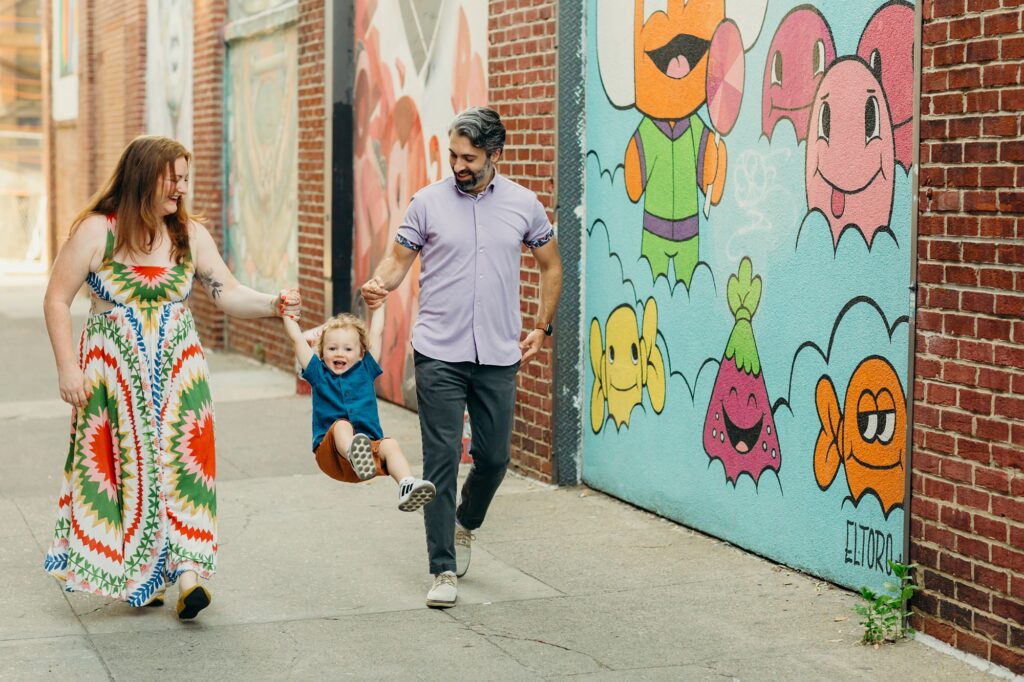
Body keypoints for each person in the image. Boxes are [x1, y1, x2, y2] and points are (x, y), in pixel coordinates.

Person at [41, 135, 300, 619]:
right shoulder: (98, 231)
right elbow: (57, 298)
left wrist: (271, 304)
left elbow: (227, 292)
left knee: (186, 467)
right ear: (143, 176)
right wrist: (66, 369)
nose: (181, 188)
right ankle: (144, 573)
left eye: (185, 177)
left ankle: (187, 572)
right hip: (113, 378)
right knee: (130, 472)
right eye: (172, 178)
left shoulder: (189, 235)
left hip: (181, 373)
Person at [361, 107, 563, 608]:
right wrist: (378, 284)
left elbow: (551, 264)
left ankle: (466, 522)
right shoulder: (427, 203)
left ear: (495, 154)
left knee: (494, 458)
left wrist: (541, 326)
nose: (458, 165)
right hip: (439, 352)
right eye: (452, 155)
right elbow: (398, 257)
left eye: (469, 157)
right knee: (442, 458)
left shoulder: (524, 205)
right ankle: (442, 568)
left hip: (498, 352)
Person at [281, 311, 436, 510]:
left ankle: (406, 484)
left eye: (347, 349)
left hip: (368, 459)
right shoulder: (318, 373)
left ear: (360, 352)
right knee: (341, 425)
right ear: (322, 353)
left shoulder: (366, 369)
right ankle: (353, 453)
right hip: (332, 456)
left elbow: (377, 333)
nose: (339, 353)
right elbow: (297, 340)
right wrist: (286, 313)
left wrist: (379, 305)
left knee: (390, 444)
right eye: (332, 348)